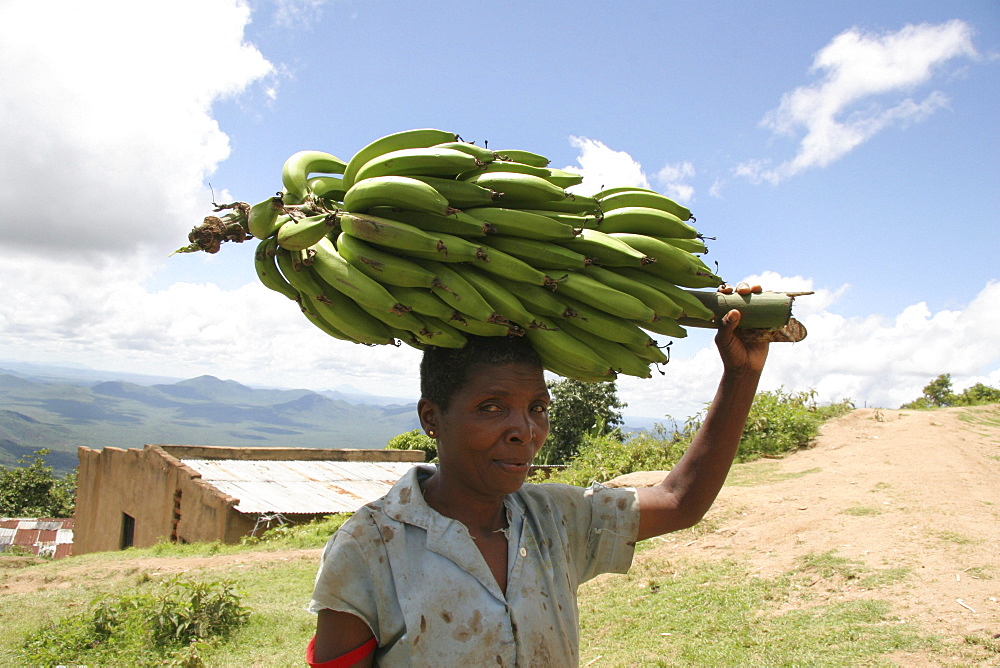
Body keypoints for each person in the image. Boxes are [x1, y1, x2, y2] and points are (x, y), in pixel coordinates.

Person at [307, 309, 768, 667]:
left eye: (537, 407)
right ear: (432, 419)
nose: (524, 430)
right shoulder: (368, 548)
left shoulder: (556, 518)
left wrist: (742, 373)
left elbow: (678, 502)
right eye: (491, 407)